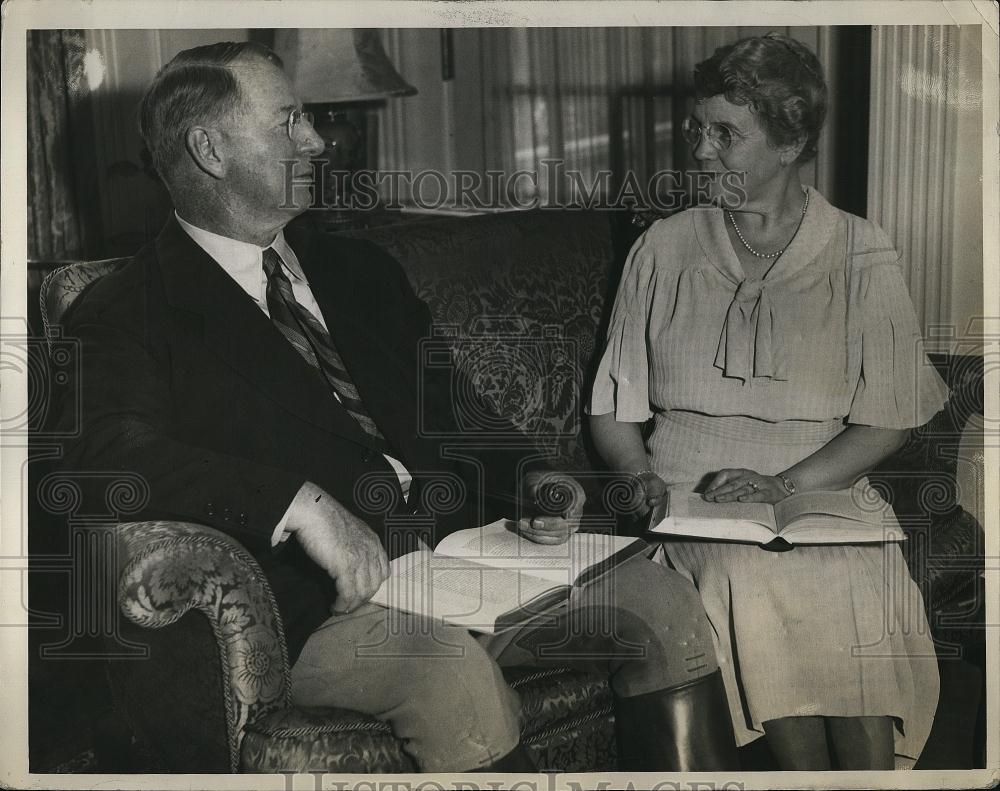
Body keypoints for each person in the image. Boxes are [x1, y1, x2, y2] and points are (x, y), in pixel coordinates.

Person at [56, 41, 739, 773]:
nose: (317, 139)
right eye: (288, 121)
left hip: (464, 559)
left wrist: (535, 476)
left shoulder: (359, 268)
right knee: (450, 676)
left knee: (661, 605)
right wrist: (301, 504)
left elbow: (452, 407)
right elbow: (109, 456)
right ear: (210, 149)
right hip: (321, 606)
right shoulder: (127, 310)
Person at [588, 33, 948, 771]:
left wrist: (786, 486)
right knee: (750, 573)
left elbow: (891, 415)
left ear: (790, 145)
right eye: (698, 129)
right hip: (691, 501)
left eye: (727, 134)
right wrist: (638, 476)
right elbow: (612, 409)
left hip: (822, 490)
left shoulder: (858, 250)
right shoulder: (661, 247)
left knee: (848, 574)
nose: (702, 151)